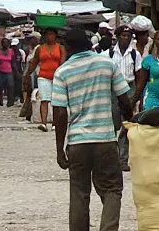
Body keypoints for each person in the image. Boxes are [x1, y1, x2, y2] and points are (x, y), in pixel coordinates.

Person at [52, 29, 132, 231]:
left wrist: (60, 149)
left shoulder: (62, 72)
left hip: (77, 142)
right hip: (105, 139)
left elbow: (60, 114)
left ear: (67, 47)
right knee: (112, 189)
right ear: (89, 44)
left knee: (79, 193)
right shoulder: (107, 64)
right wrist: (129, 120)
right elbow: (124, 98)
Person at [103, 25, 142, 172]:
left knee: (127, 124)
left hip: (129, 88)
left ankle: (123, 158)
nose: (126, 38)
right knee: (113, 123)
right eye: (123, 35)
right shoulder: (109, 54)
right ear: (118, 37)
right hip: (113, 90)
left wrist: (139, 97)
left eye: (128, 36)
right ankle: (111, 157)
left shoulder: (135, 54)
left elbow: (139, 76)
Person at [25, 28, 66, 132]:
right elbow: (34, 62)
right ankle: (43, 123)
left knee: (55, 101)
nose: (49, 37)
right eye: (47, 34)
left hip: (57, 77)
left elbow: (63, 62)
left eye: (51, 34)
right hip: (43, 76)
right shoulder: (40, 49)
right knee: (44, 99)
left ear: (55, 36)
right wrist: (27, 74)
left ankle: (55, 123)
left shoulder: (60, 48)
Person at [0, 38, 17, 107]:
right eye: (4, 42)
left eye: (6, 42)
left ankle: (10, 102)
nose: (5, 44)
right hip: (0, 72)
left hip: (9, 71)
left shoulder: (11, 51)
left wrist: (16, 72)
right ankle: (1, 102)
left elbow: (13, 62)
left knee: (10, 86)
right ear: (1, 44)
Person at [11, 38, 26, 104]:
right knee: (12, 85)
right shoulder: (10, 52)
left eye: (15, 45)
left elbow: (23, 62)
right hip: (11, 70)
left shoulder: (21, 52)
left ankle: (21, 98)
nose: (14, 47)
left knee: (19, 84)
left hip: (19, 69)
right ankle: (13, 98)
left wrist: (23, 71)